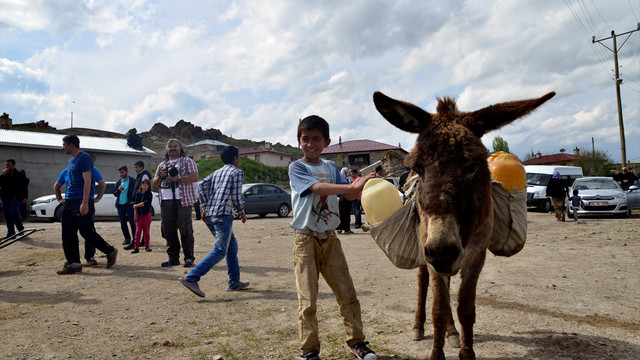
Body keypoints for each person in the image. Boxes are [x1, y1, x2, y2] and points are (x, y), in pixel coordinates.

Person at [289, 115, 377, 360]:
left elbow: (347, 197)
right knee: (308, 299)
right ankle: (309, 350)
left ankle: (357, 342)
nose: (310, 144)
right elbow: (317, 189)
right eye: (305, 139)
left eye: (316, 139)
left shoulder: (331, 168)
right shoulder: (297, 168)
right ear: (299, 141)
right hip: (305, 240)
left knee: (347, 294)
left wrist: (362, 186)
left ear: (326, 141)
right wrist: (351, 188)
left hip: (330, 238)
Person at [179, 146, 250, 297]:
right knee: (220, 250)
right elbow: (236, 197)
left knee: (232, 247)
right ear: (235, 158)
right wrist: (242, 213)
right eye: (239, 157)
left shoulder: (216, 172)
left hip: (211, 215)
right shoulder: (237, 172)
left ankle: (234, 282)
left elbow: (200, 186)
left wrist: (204, 206)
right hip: (223, 215)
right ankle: (191, 278)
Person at [56, 134, 117, 274]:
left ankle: (110, 251)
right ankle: (74, 264)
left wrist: (85, 202)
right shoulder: (70, 161)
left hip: (81, 201)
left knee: (87, 232)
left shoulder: (84, 158)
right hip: (69, 201)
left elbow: (88, 181)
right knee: (67, 233)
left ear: (71, 145)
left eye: (64, 145)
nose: (62, 147)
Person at [153, 138, 199, 268]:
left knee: (186, 230)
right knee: (169, 231)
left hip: (182, 201)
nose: (173, 148)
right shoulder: (162, 165)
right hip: (166, 201)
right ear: (167, 150)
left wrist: (178, 177)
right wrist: (162, 176)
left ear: (180, 148)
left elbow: (195, 177)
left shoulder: (187, 161)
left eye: (175, 146)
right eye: (170, 147)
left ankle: (189, 258)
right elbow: (155, 182)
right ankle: (173, 258)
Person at [54, 161, 106, 266]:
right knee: (69, 233)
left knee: (88, 231)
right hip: (70, 203)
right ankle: (72, 260)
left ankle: (90, 256)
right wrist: (59, 199)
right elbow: (57, 186)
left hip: (85, 203)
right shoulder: (66, 172)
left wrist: (97, 198)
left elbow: (102, 184)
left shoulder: (91, 170)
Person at [0, 159, 28, 238]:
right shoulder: (5, 175)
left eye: (8, 165)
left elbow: (24, 186)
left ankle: (21, 229)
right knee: (7, 215)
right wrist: (2, 175)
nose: (7, 167)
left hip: (15, 197)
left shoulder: (20, 173)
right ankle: (11, 233)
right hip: (5, 197)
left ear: (13, 165)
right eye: (6, 165)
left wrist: (25, 197)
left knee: (14, 212)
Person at [114, 166, 137, 250]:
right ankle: (127, 238)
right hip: (120, 205)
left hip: (129, 205)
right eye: (120, 173)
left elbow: (137, 192)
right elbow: (115, 194)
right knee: (123, 223)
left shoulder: (133, 181)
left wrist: (132, 200)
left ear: (127, 171)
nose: (121, 174)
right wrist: (119, 190)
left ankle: (135, 239)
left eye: (122, 172)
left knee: (132, 222)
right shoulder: (119, 182)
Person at [131, 179, 153, 253]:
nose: (144, 185)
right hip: (139, 215)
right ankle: (136, 247)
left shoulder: (149, 194)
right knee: (138, 232)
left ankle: (147, 246)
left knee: (146, 232)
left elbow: (145, 203)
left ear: (148, 186)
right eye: (143, 183)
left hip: (146, 214)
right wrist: (135, 214)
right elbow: (135, 205)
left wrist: (136, 205)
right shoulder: (138, 194)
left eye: (146, 184)